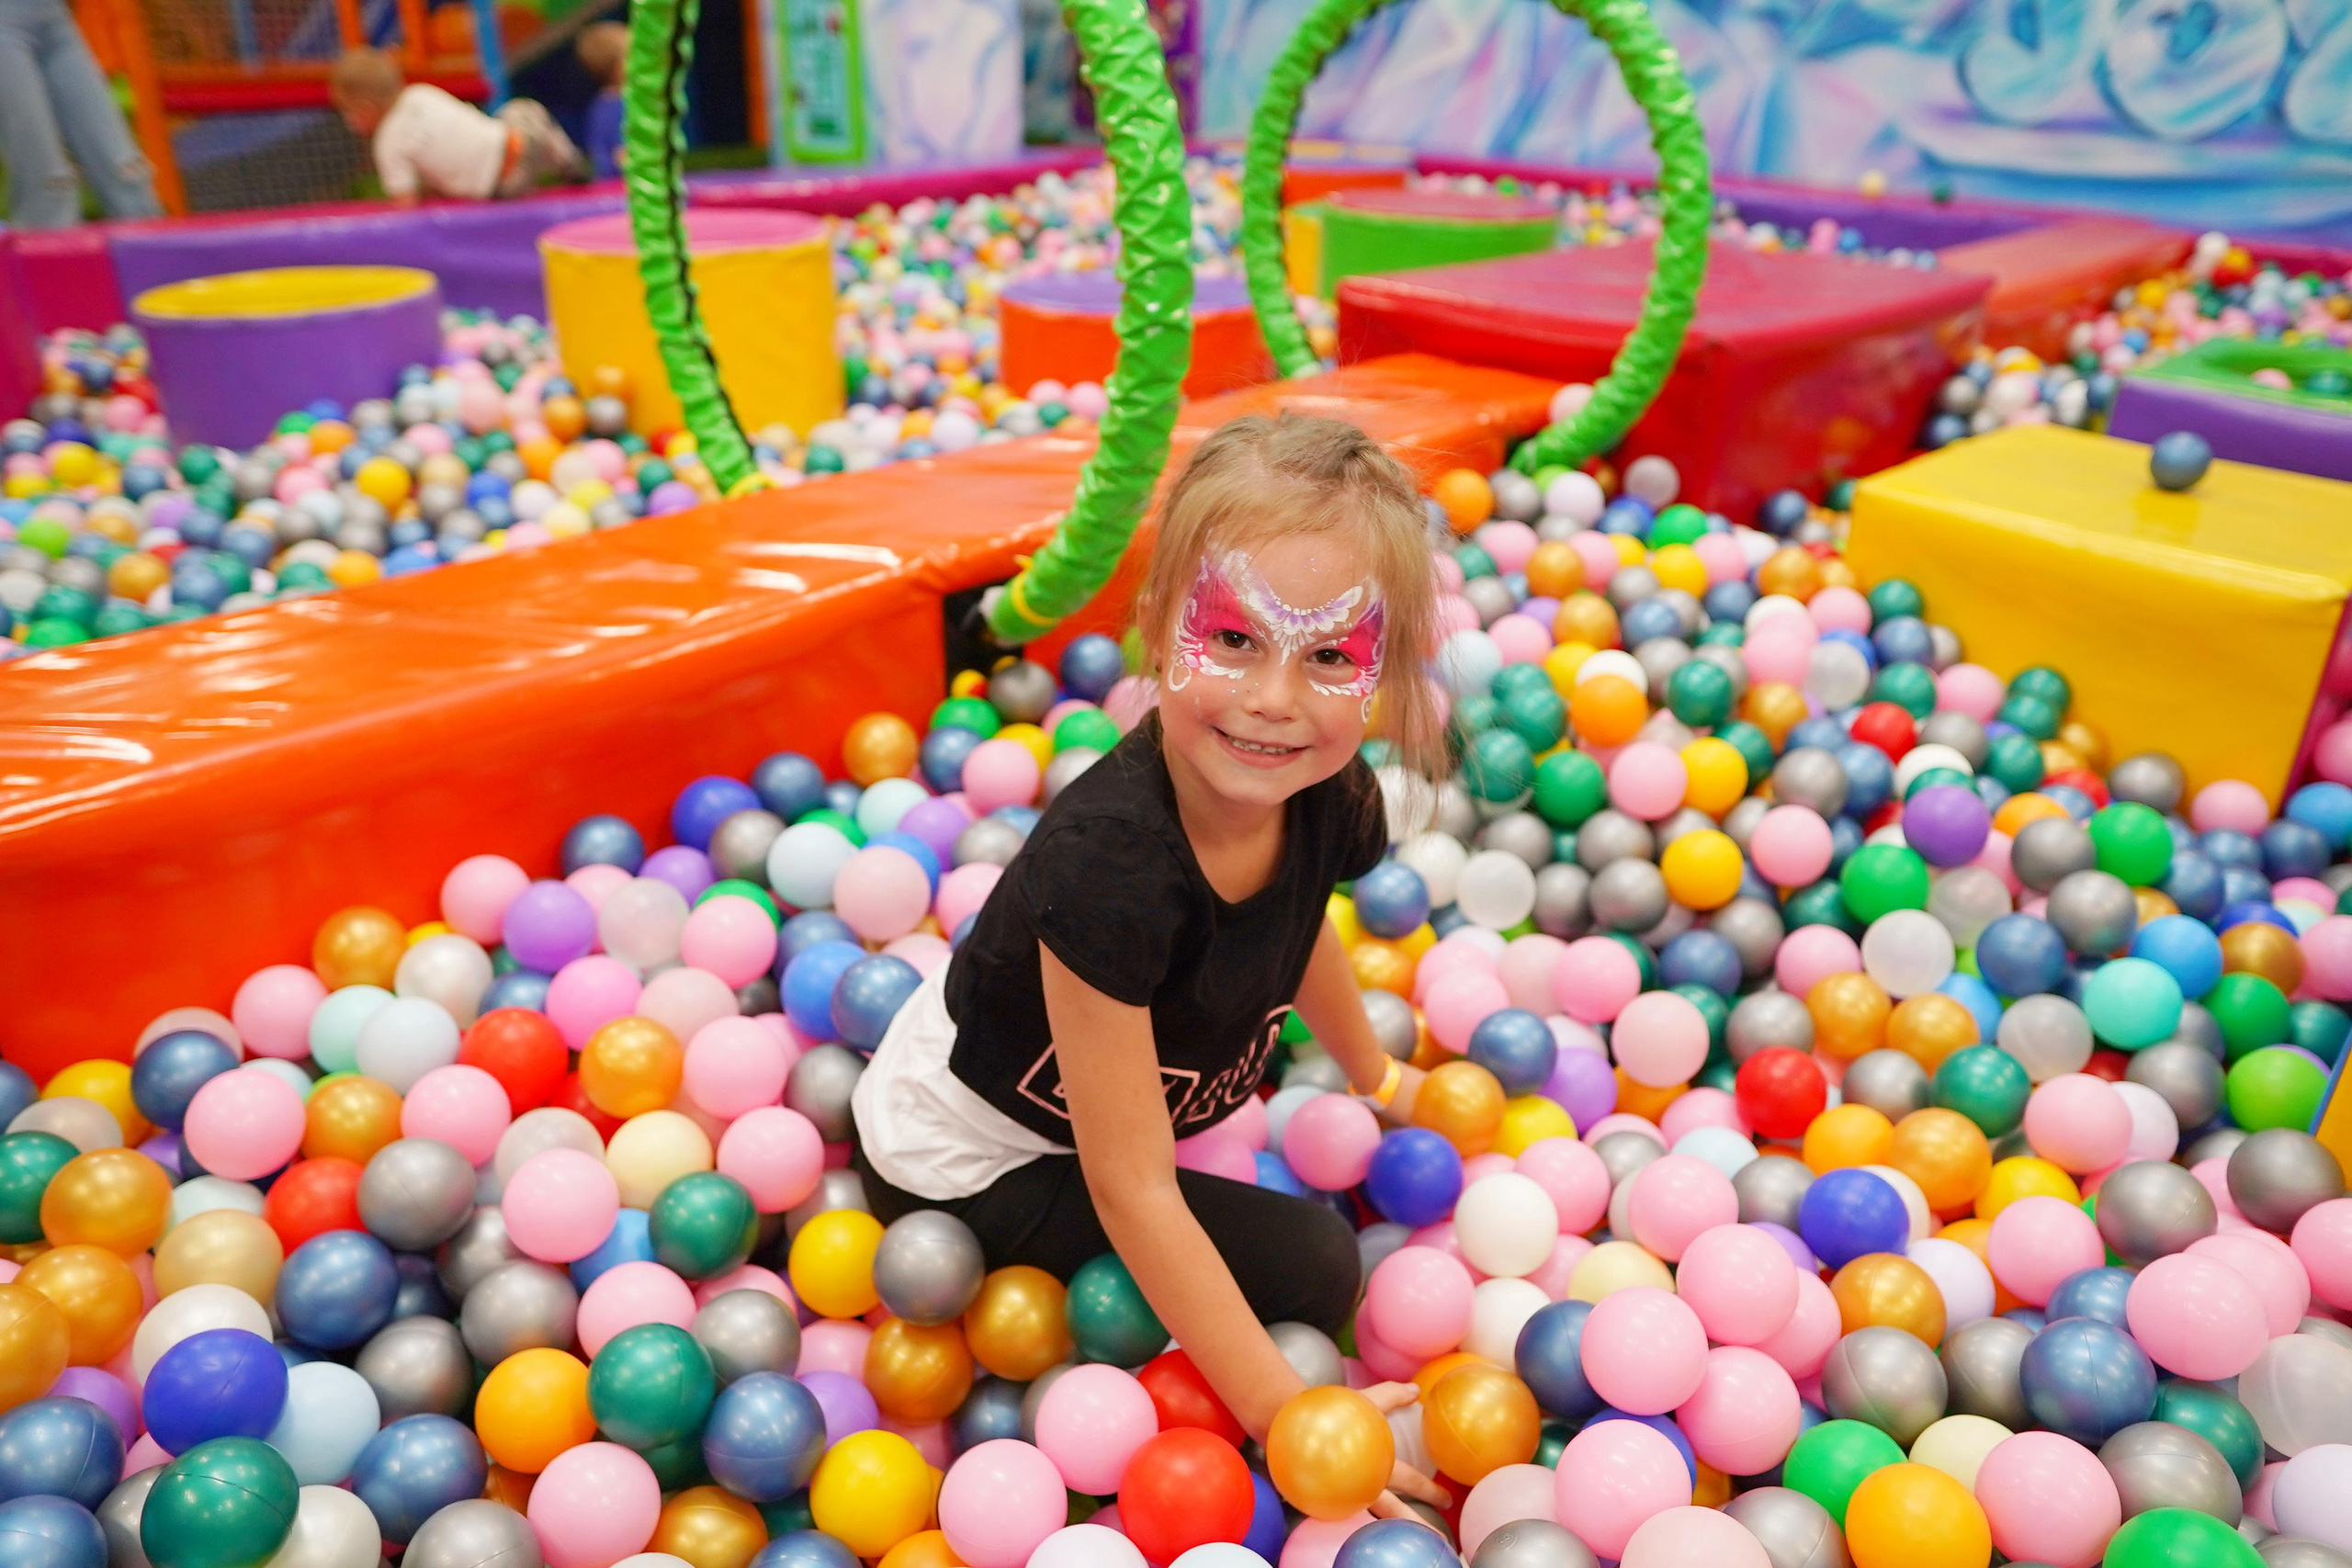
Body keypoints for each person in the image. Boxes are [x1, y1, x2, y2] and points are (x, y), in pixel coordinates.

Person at [851, 413, 1451, 1519]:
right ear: (1153, 624)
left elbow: (1299, 920)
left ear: (1378, 673)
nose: (1273, 699)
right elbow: (1131, 1185)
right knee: (1319, 1267)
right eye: (1230, 639)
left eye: (1327, 656)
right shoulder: (1110, 866)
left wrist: (1374, 1074)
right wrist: (1284, 1413)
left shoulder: (1323, 791)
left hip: (1101, 1109)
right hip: (964, 1156)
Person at [329, 47, 583, 205]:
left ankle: (561, 162)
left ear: (366, 108)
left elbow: (405, 202)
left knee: (518, 116)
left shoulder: (387, 143)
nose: (347, 122)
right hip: (514, 148)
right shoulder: (421, 93)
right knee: (524, 109)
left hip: (501, 187)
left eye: (347, 112)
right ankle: (568, 164)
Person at [0, 0, 162, 228]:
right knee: (48, 184)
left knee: (126, 173)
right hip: (6, 26)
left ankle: (153, 252)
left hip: (55, 18)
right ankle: (52, 257)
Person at [574, 21, 627, 181]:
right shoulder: (614, 107)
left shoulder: (603, 106)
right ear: (619, 66)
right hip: (616, 186)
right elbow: (619, 156)